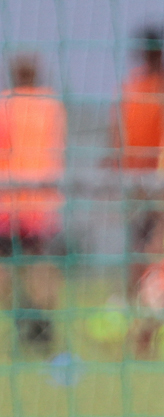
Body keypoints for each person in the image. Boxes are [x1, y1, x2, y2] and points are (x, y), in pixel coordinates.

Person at [109, 25, 164, 356]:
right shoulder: (132, 87)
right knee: (140, 256)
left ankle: (155, 328)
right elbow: (117, 133)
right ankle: (139, 326)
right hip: (136, 184)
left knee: (161, 255)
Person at [0, 52, 66, 355]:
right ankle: (40, 324)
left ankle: (25, 317)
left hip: (7, 199)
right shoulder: (51, 105)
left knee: (6, 267)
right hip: (40, 200)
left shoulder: (5, 104)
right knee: (40, 265)